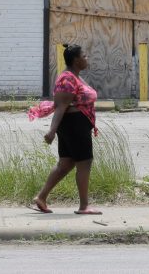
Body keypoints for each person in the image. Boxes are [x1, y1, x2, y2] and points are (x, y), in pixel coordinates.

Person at [31, 44, 101, 215]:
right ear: (76, 60)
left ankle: (41, 197)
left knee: (66, 163)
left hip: (75, 124)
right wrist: (51, 131)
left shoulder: (75, 76)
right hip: (74, 125)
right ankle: (84, 206)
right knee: (84, 163)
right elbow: (60, 106)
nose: (87, 58)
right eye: (85, 56)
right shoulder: (67, 79)